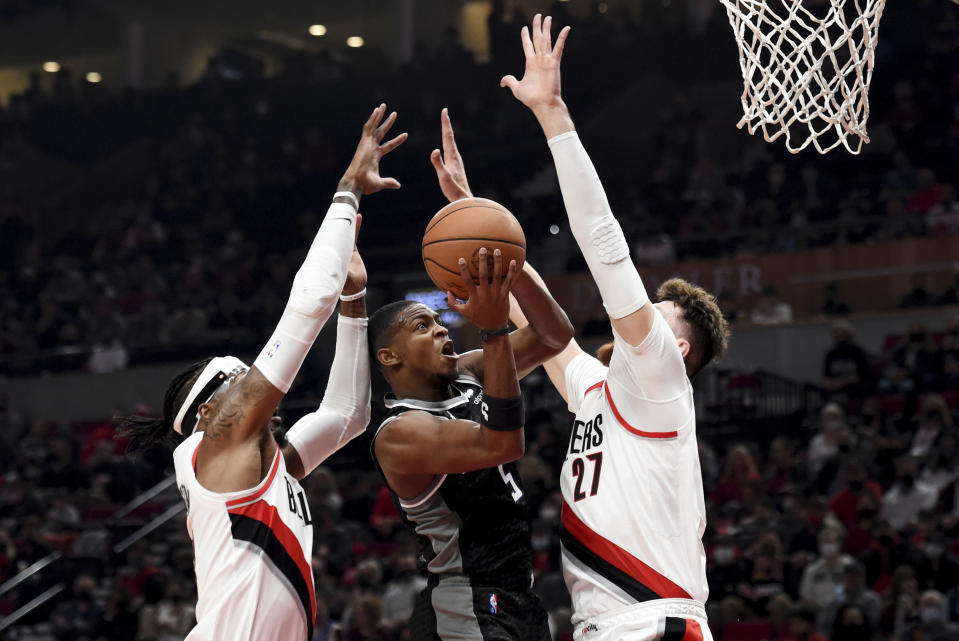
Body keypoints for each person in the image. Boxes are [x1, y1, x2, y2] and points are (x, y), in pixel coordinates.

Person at [116, 104, 407, 641]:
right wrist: (348, 187)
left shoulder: (268, 472)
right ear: (210, 411)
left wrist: (355, 296)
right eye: (242, 383)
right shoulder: (215, 451)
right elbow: (305, 304)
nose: (260, 391)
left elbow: (347, 415)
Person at [501, 15, 729, 640]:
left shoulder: (659, 378)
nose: (640, 318)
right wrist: (482, 233)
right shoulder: (601, 391)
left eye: (657, 314)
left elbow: (605, 249)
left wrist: (554, 117)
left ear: (676, 348)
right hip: (607, 624)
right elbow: (549, 336)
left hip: (654, 619)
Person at [367, 108, 575, 640]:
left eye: (441, 321)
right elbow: (503, 444)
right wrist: (494, 332)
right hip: (464, 603)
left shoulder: (468, 373)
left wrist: (493, 241)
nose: (440, 330)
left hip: (516, 597)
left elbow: (555, 336)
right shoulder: (400, 434)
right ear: (389, 357)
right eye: (422, 325)